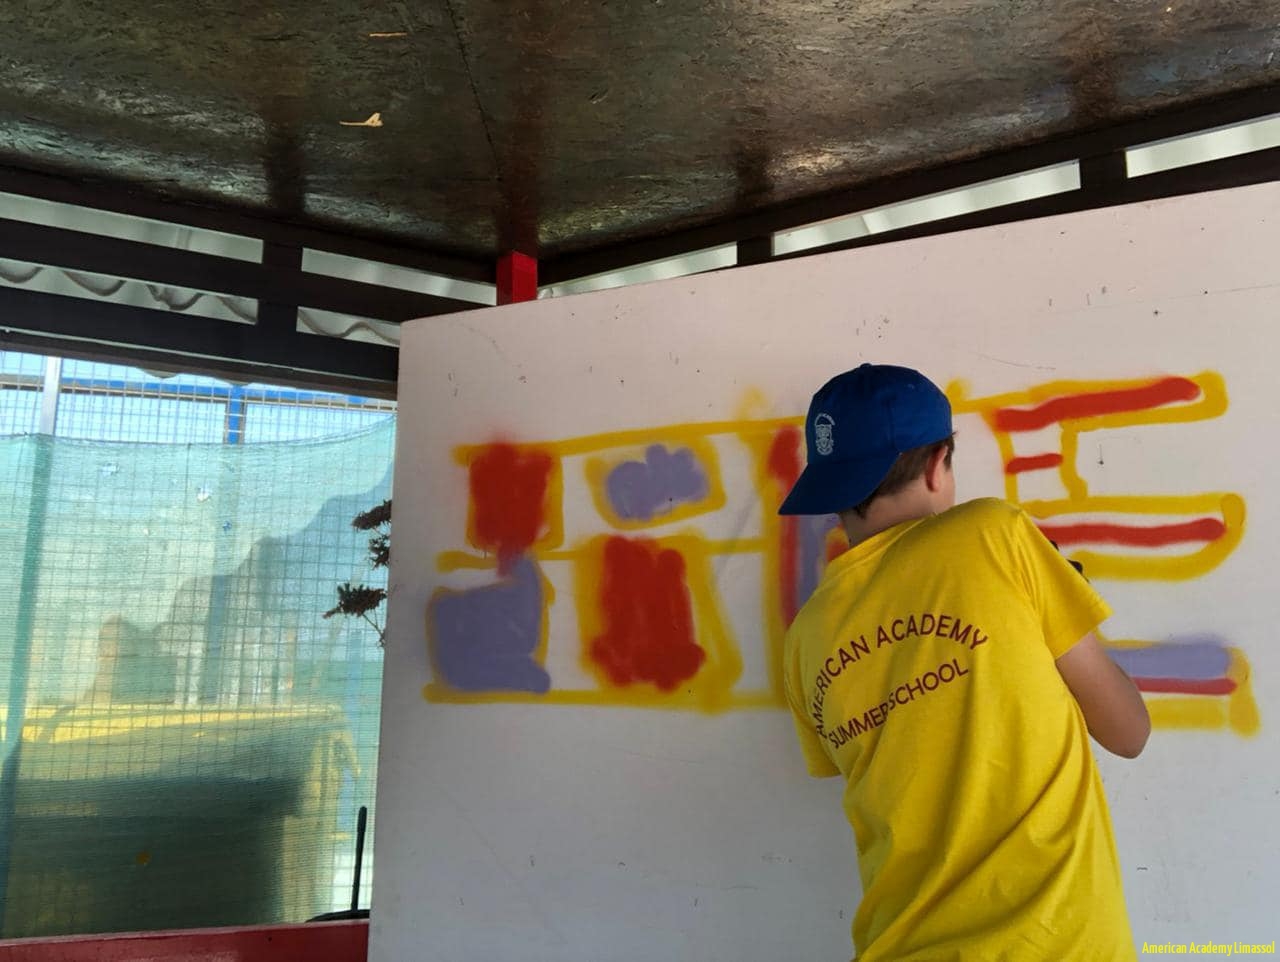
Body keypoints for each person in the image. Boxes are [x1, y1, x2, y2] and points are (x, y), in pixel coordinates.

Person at [778, 363, 1150, 962]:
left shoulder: (804, 637)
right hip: (1056, 946)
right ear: (937, 464)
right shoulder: (993, 535)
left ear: (829, 485)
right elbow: (1128, 732)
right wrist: (1055, 610)